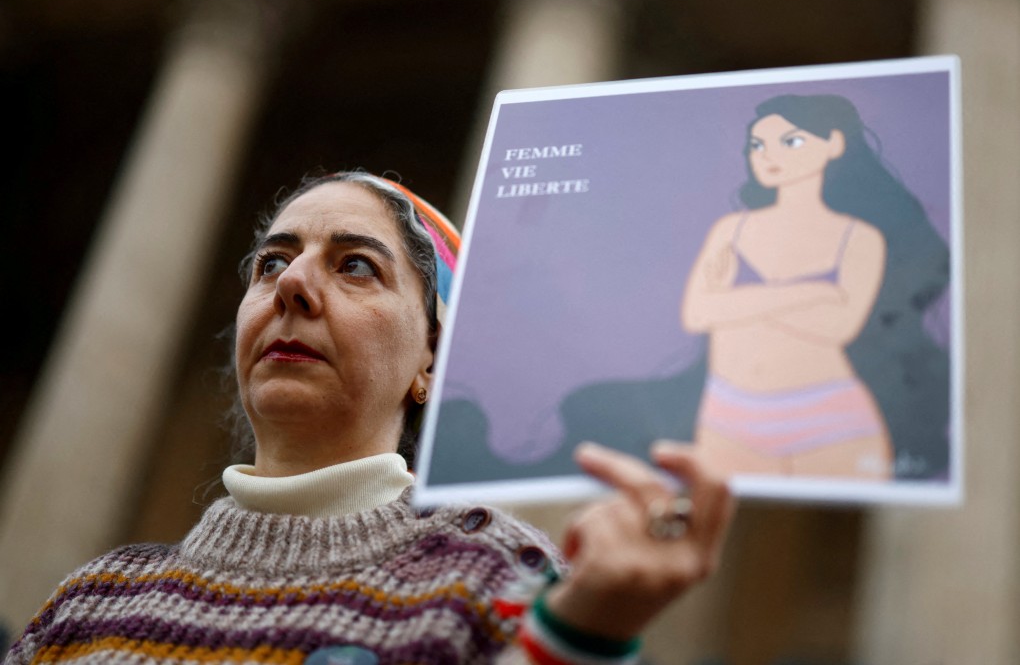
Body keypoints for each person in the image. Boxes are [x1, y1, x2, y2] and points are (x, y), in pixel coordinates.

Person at [6, 171, 734, 665]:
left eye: (355, 265)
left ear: (430, 359)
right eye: (270, 264)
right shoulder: (86, 602)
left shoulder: (503, 581)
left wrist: (580, 637)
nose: (291, 283)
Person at [681, 94, 950, 481]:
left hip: (828, 417)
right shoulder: (732, 230)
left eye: (791, 142)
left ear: (834, 144)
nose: (768, 156)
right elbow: (698, 313)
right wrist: (812, 293)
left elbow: (838, 326)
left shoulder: (857, 238)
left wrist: (736, 302)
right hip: (728, 414)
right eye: (758, 145)